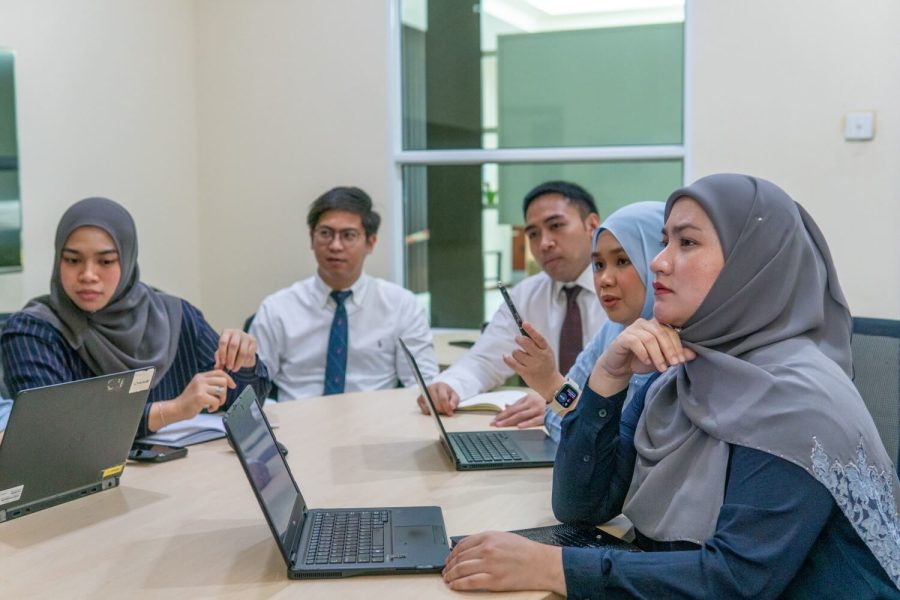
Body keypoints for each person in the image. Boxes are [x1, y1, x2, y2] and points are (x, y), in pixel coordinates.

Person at [441, 174, 899, 596]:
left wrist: (552, 568)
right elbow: (581, 506)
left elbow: (737, 581)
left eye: (686, 243)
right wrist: (607, 379)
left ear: (751, 264)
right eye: (664, 241)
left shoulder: (796, 400)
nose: (658, 262)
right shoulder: (676, 374)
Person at [0, 197, 271, 439]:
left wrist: (243, 364)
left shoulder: (174, 317)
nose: (88, 275)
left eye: (106, 262)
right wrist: (172, 410)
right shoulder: (34, 332)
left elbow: (244, 406)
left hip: (189, 477)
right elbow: (52, 431)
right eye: (73, 260)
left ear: (128, 260)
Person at [420, 181, 606, 416]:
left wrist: (558, 402)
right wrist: (450, 385)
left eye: (556, 226)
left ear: (592, 225)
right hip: (544, 434)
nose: (544, 243)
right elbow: (486, 360)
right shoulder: (525, 295)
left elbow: (633, 389)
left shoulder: (625, 290)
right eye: (533, 234)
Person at [494, 201, 665, 440]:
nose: (604, 279)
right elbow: (567, 425)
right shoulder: (613, 331)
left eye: (623, 261)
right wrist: (550, 384)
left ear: (661, 261)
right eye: (598, 265)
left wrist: (553, 387)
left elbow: (624, 453)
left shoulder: (681, 347)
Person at [250, 186, 438, 400]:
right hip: (296, 425)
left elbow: (423, 386)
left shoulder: (402, 306)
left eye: (348, 235)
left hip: (375, 425)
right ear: (312, 238)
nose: (335, 245)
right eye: (325, 234)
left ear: (370, 243)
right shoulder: (277, 309)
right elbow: (253, 390)